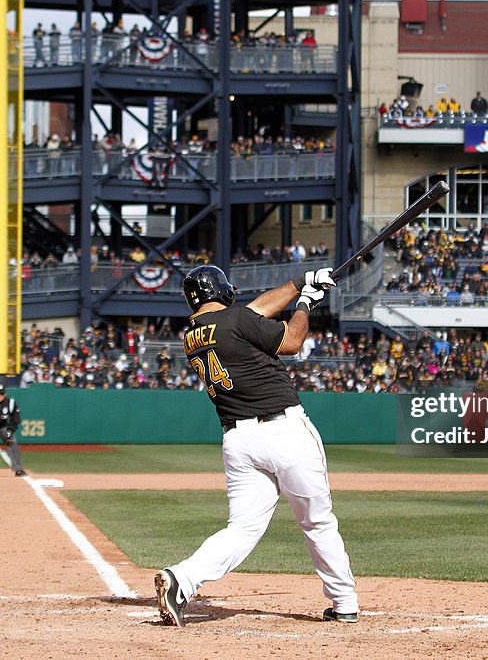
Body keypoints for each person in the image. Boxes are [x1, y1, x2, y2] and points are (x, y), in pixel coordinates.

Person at [154, 265, 359, 627]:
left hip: (239, 441)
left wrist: (300, 282)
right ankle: (344, 603)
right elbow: (292, 343)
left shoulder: (194, 335)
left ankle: (181, 579)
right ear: (222, 290)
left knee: (242, 529)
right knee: (317, 522)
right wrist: (306, 305)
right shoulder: (236, 321)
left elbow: (252, 313)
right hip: (285, 432)